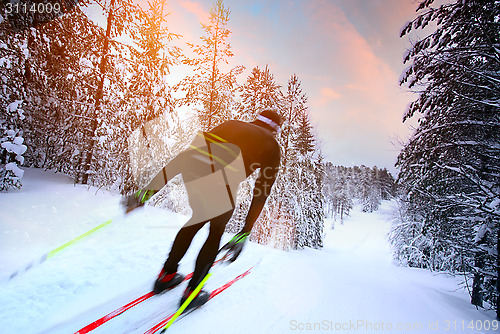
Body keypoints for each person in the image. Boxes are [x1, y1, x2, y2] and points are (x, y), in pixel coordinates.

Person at [123, 109, 282, 310]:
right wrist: (245, 231)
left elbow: (186, 157)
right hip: (223, 184)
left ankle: (167, 276)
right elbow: (261, 191)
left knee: (196, 219)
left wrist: (146, 193)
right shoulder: (272, 146)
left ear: (256, 120)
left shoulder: (231, 124)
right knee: (215, 231)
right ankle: (193, 292)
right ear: (276, 130)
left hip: (195, 176)